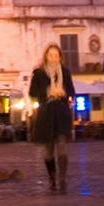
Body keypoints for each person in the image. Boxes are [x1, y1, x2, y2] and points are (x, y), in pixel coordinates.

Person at [28, 43, 76, 193]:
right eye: (51, 55)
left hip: (61, 111)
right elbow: (32, 92)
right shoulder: (39, 73)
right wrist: (48, 92)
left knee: (62, 145)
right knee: (48, 150)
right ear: (46, 57)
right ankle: (52, 178)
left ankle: (62, 178)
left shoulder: (66, 72)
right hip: (47, 112)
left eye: (56, 55)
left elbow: (72, 91)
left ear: (60, 57)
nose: (54, 58)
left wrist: (65, 93)